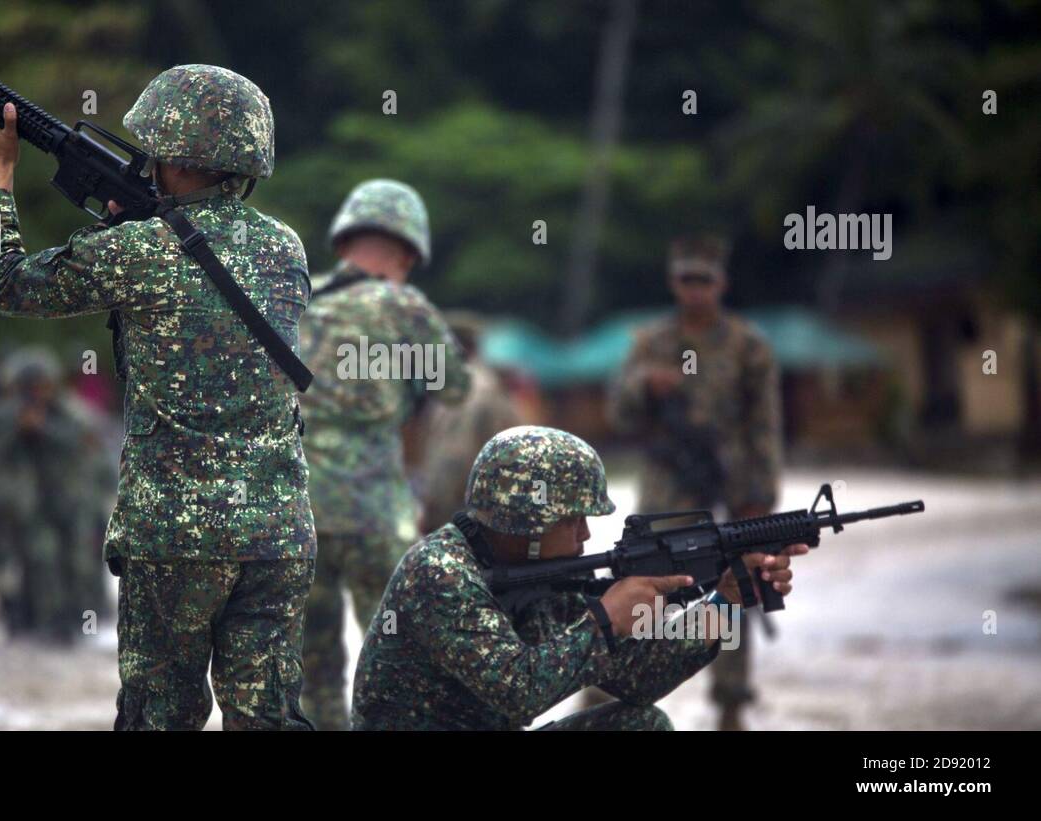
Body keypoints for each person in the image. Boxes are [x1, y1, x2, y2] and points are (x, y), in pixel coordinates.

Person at [0, 64, 315, 729]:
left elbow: (6, 284)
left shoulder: (138, 251)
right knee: (267, 717)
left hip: (175, 536)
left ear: (178, 157)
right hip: (278, 531)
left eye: (157, 151)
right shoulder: (285, 247)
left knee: (159, 716)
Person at [351, 426, 804, 730]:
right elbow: (519, 691)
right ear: (526, 520)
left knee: (641, 724)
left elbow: (639, 680)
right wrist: (604, 620)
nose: (586, 534)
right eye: (573, 520)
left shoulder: (537, 576)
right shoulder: (440, 573)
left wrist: (724, 601)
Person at [297, 179, 470, 729]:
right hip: (375, 508)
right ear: (406, 252)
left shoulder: (294, 296)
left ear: (344, 239)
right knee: (399, 661)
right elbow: (455, 387)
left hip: (293, 509)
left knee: (308, 667)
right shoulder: (403, 305)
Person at [611, 234, 783, 730]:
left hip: (731, 478)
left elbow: (766, 426)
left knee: (739, 584)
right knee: (645, 579)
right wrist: (644, 384)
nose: (695, 290)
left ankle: (731, 702)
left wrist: (760, 497)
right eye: (686, 280)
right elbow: (617, 413)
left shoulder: (748, 344)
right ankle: (613, 688)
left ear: (721, 283)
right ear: (673, 282)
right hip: (670, 483)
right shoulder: (650, 342)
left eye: (704, 280)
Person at [0, 347, 99, 642]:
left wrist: (43, 428)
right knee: (13, 563)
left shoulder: (66, 412)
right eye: (27, 387)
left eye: (39, 386)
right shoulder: (5, 414)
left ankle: (64, 623)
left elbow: (83, 438)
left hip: (66, 502)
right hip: (14, 504)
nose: (33, 394)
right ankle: (23, 622)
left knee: (69, 563)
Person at [408, 310, 523, 534]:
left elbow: (454, 458)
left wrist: (432, 512)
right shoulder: (476, 384)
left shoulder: (467, 390)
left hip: (462, 517)